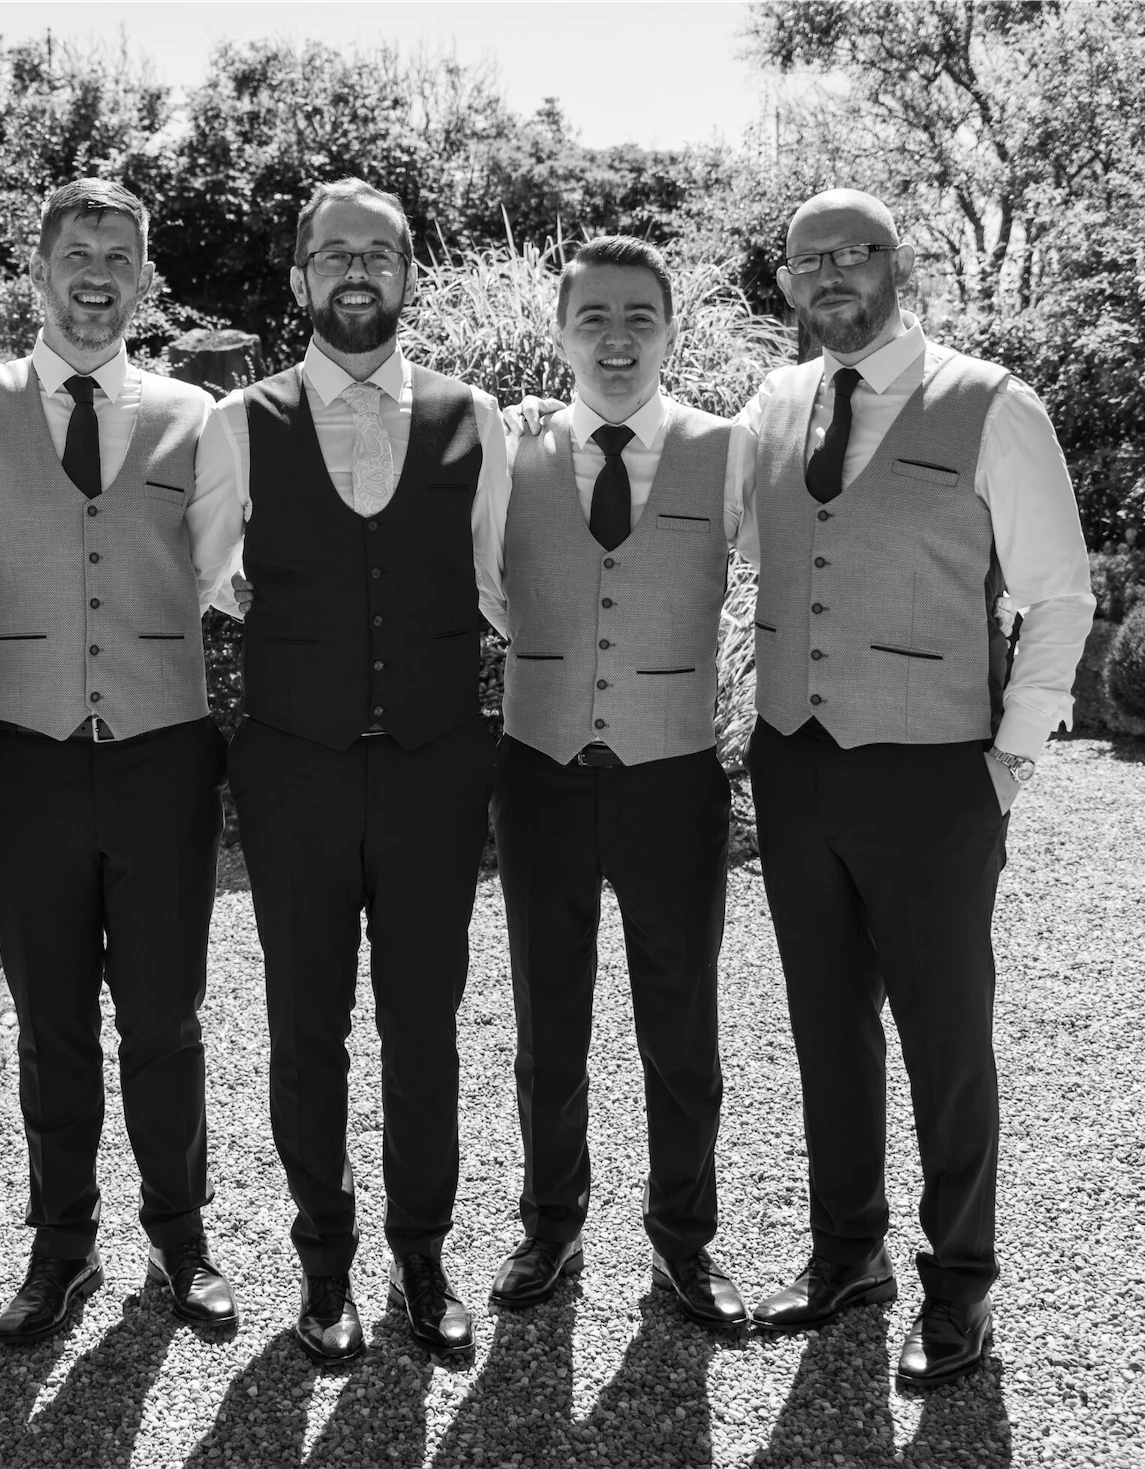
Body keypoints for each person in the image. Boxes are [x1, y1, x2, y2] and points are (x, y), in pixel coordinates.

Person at [736, 189, 1093, 1385]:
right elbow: (734, 536)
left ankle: (962, 1280)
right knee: (826, 1023)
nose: (834, 272)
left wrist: (1012, 759)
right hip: (794, 759)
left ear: (899, 264)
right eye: (811, 259)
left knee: (945, 1034)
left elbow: (1058, 594)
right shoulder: (772, 406)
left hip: (939, 772)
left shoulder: (995, 403)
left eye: (859, 251)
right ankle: (850, 1252)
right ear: (788, 283)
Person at [0, 179, 239, 1342]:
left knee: (165, 1016)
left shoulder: (198, 416)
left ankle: (180, 1236)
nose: (97, 276)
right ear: (40, 271)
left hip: (163, 754)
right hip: (24, 758)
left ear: (143, 278)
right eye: (77, 254)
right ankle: (62, 1246)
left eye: (119, 257)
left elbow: (211, 574)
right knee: (51, 1021)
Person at [198, 177, 512, 1365]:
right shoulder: (240, 423)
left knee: (424, 1025)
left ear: (410, 273)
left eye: (380, 251)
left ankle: (421, 1257)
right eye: (334, 253)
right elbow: (209, 579)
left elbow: (498, 587)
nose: (357, 271)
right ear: (300, 278)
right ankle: (322, 1260)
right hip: (296, 770)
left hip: (436, 768)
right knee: (305, 1026)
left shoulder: (475, 416)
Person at [475, 236, 749, 1331]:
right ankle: (551, 1222)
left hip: (672, 776)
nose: (617, 337)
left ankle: (684, 1239)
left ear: (672, 330)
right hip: (539, 772)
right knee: (548, 1017)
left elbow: (789, 576)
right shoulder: (511, 450)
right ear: (561, 333)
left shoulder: (728, 451)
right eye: (593, 316)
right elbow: (488, 585)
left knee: (681, 1022)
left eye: (640, 315)